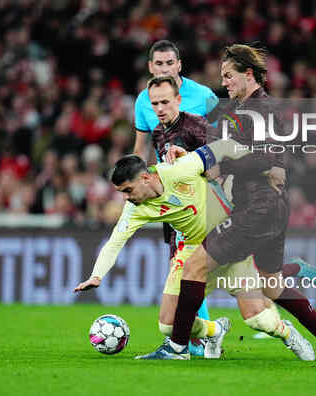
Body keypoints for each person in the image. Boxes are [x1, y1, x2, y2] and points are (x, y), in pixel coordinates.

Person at [74, 79, 316, 362]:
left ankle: (288, 334)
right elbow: (115, 241)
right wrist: (97, 275)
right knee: (167, 325)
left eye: (128, 190)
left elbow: (224, 147)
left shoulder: (180, 168)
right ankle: (214, 330)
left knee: (257, 320)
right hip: (192, 250)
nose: (127, 198)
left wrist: (267, 165)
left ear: (145, 177)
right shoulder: (136, 209)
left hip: (227, 242)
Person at [143, 44, 316, 361]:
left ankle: (177, 348)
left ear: (248, 74)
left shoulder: (258, 111)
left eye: (229, 76)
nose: (224, 82)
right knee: (271, 285)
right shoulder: (249, 110)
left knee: (195, 265)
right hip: (272, 207)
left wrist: (225, 164)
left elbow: (266, 158)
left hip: (257, 207)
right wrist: (198, 159)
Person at [132, 40, 217, 334]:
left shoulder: (204, 96)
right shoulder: (143, 101)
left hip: (205, 189)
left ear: (179, 65)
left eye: (170, 63)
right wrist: (135, 182)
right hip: (170, 191)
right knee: (184, 264)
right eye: (159, 64)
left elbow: (227, 135)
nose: (164, 68)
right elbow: (141, 147)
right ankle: (203, 334)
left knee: (188, 263)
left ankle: (201, 334)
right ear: (150, 67)